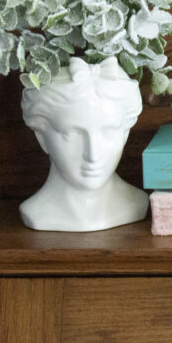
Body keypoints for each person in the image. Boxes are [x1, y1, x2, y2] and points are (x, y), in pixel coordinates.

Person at [20, 57, 149, 231]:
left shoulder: (137, 203)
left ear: (125, 134)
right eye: (72, 133)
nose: (92, 154)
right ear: (41, 138)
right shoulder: (36, 212)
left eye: (108, 131)